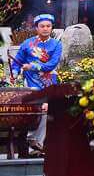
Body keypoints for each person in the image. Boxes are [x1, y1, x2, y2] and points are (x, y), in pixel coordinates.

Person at [9, 12, 61, 150]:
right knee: (34, 111)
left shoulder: (56, 45)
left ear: (52, 28)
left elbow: (51, 65)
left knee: (45, 110)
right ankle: (32, 143)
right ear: (36, 28)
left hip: (49, 82)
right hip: (31, 82)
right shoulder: (27, 43)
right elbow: (17, 62)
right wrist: (14, 73)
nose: (45, 28)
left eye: (48, 26)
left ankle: (36, 143)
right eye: (42, 26)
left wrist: (32, 66)